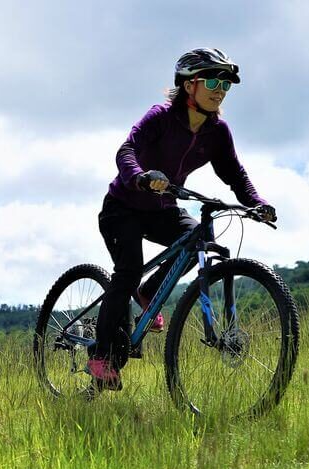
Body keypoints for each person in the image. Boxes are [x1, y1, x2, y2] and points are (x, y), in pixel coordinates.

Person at [89, 48, 277, 390]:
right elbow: (126, 150)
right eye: (212, 80)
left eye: (226, 84)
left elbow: (234, 173)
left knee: (200, 239)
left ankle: (150, 291)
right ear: (190, 85)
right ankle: (101, 355)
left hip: (163, 210)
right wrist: (141, 176)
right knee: (128, 271)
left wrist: (257, 203)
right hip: (123, 207)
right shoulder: (160, 117)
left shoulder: (217, 132)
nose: (220, 89)